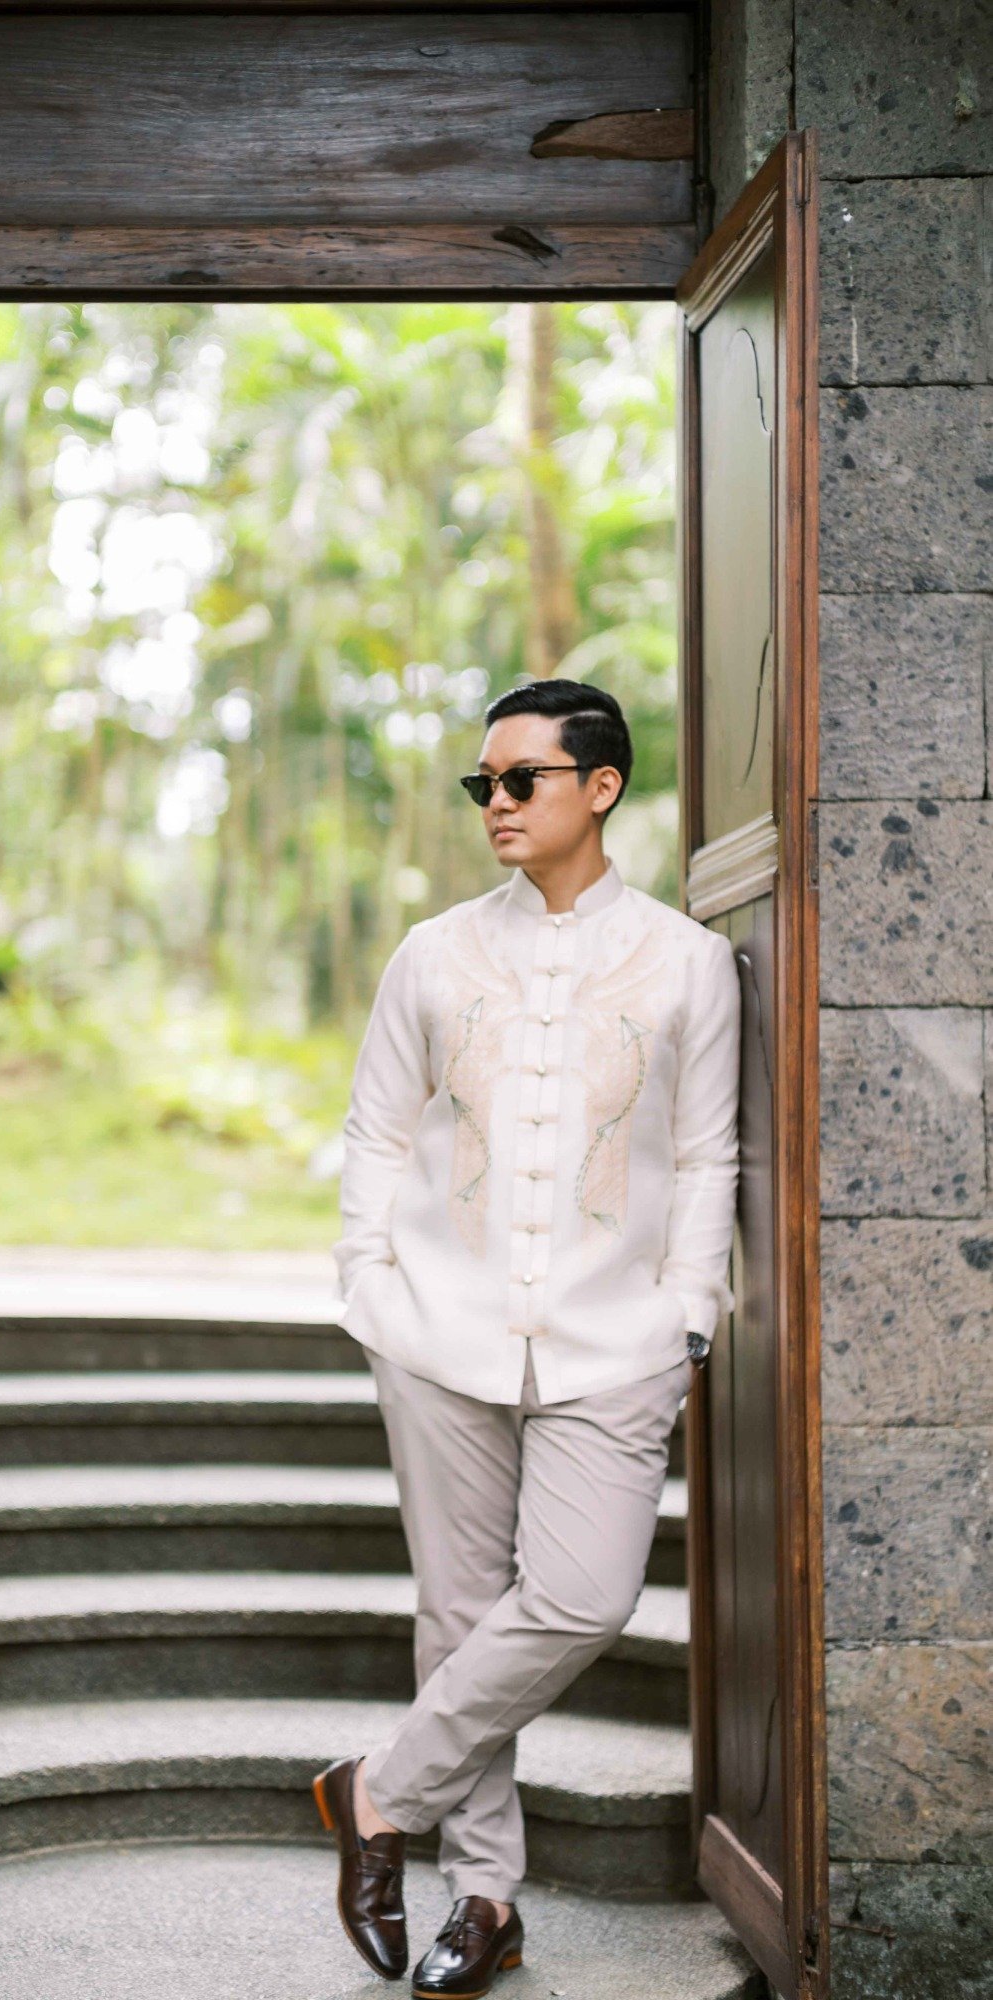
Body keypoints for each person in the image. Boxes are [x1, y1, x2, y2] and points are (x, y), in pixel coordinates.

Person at [313, 678, 741, 1997]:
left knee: (579, 1595)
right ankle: (484, 1901)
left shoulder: (688, 961)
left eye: (521, 781)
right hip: (438, 1329)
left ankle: (376, 1795)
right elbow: (378, 1130)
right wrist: (369, 1284)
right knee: (459, 1616)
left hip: (616, 1340)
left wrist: (687, 1316)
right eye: (481, 786)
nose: (494, 805)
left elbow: (708, 1148)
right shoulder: (435, 953)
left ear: (599, 788)